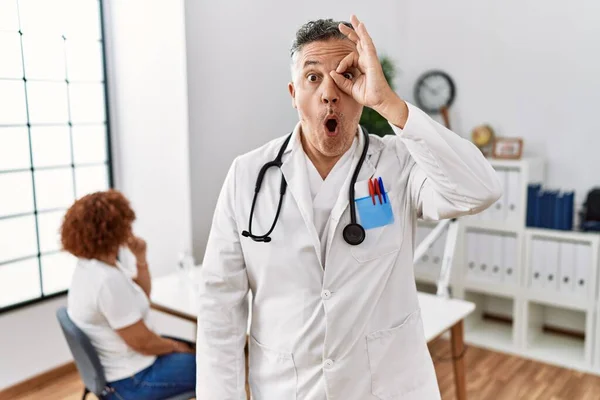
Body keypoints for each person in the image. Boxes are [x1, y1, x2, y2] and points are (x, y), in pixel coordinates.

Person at [195, 15, 502, 399]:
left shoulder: (399, 164)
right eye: (313, 77)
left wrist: (391, 105)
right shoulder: (248, 176)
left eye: (346, 75)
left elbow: (481, 190)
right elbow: (219, 307)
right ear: (293, 94)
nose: (329, 92)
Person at [62, 189, 196, 400]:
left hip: (121, 370)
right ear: (114, 231)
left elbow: (141, 295)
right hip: (132, 380)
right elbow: (143, 343)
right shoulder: (106, 281)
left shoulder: (94, 266)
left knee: (195, 350)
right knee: (213, 364)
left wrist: (140, 259)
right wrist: (175, 347)